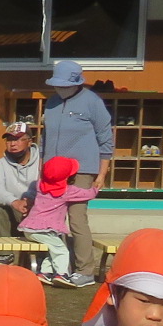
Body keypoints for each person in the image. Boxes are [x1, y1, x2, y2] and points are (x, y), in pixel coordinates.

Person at [40, 60, 115, 286]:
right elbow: (44, 139)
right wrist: (42, 168)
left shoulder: (92, 102)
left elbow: (105, 139)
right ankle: (59, 268)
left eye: (64, 85)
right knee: (52, 220)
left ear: (76, 83)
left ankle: (85, 271)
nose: (59, 88)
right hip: (53, 171)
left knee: (77, 219)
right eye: (56, 84)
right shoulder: (51, 102)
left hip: (82, 170)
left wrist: (101, 174)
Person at [19, 156, 96, 283]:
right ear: (67, 177)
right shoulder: (67, 191)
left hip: (29, 228)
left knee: (53, 249)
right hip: (44, 230)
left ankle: (45, 272)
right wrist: (96, 187)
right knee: (61, 250)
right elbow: (89, 194)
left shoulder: (39, 186)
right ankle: (62, 274)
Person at [0, 121, 41, 253]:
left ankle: (40, 255)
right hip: (14, 210)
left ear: (29, 142)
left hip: (37, 209)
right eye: (9, 140)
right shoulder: (0, 164)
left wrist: (31, 201)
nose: (13, 144)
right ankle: (5, 254)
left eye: (18, 139)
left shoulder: (42, 162)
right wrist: (14, 202)